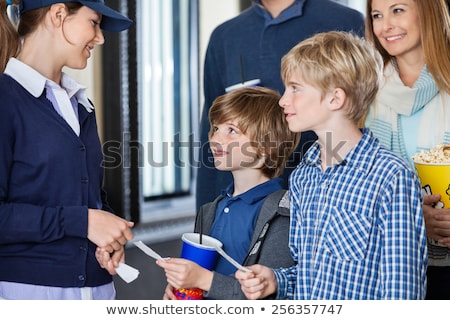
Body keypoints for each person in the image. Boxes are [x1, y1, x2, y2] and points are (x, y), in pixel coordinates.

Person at [236, 31, 428, 299]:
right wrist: (276, 280)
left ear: (335, 99)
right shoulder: (303, 176)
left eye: (295, 88)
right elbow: (309, 275)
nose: (283, 100)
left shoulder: (390, 177)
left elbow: (402, 294)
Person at [0, 0, 135, 300]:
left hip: (97, 290)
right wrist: (85, 222)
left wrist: (108, 236)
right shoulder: (6, 100)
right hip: (32, 295)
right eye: (94, 23)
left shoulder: (79, 104)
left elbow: (90, 199)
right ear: (59, 14)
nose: (100, 37)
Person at [196, 0, 365, 211]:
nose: (284, 101)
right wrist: (204, 219)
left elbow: (364, 109)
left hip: (319, 199)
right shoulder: (225, 37)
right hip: (239, 205)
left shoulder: (344, 21)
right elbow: (210, 131)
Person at [156, 86, 299, 299]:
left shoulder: (282, 213)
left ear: (266, 146)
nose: (215, 139)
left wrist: (202, 279)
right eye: (215, 128)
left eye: (231, 130)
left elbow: (269, 297)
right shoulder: (211, 210)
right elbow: (199, 283)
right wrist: (184, 288)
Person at [364, 0, 450, 299]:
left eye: (397, 10)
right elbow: (350, 184)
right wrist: (413, 217)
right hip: (386, 266)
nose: (385, 25)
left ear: (428, 11)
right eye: (377, 15)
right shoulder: (362, 94)